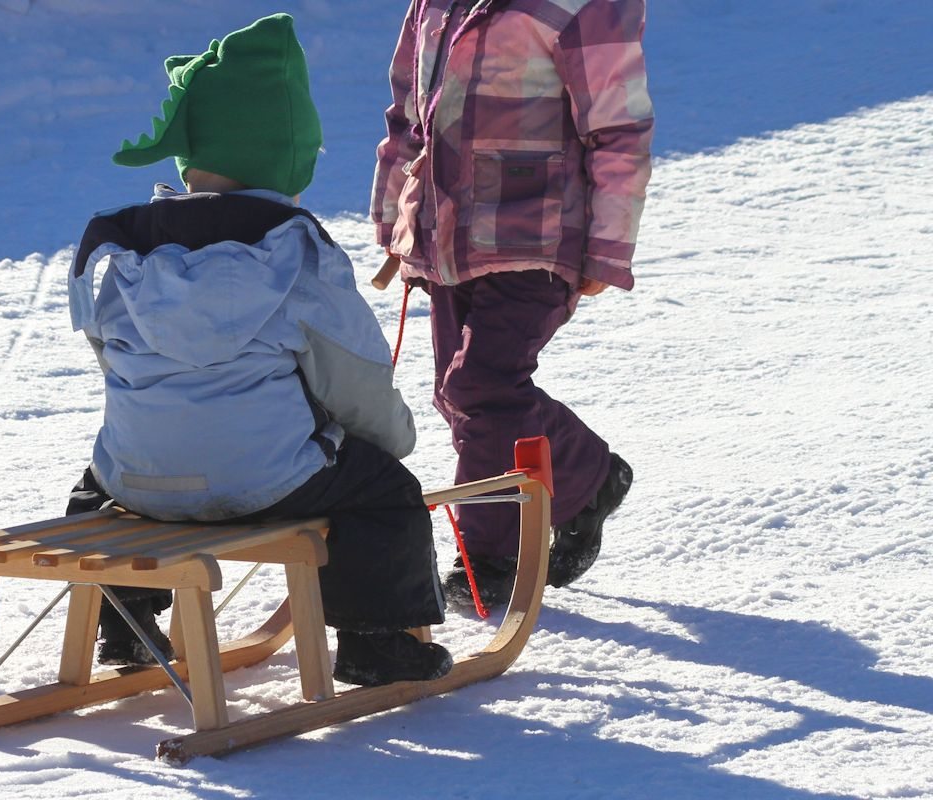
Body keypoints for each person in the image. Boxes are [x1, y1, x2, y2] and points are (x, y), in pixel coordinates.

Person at [65, 13, 451, 687]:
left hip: (139, 482)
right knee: (386, 496)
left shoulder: (126, 252)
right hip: (270, 481)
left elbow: (114, 365)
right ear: (288, 157)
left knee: (90, 489)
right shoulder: (296, 252)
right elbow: (352, 378)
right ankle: (375, 642)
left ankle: (124, 627)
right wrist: (390, 440)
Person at [370, 0, 653, 608]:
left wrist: (607, 246)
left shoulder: (579, 6)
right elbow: (407, 114)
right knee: (463, 398)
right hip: (447, 233)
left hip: (539, 233)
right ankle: (589, 475)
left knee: (481, 387)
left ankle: (490, 556)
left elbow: (619, 128)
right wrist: (395, 212)